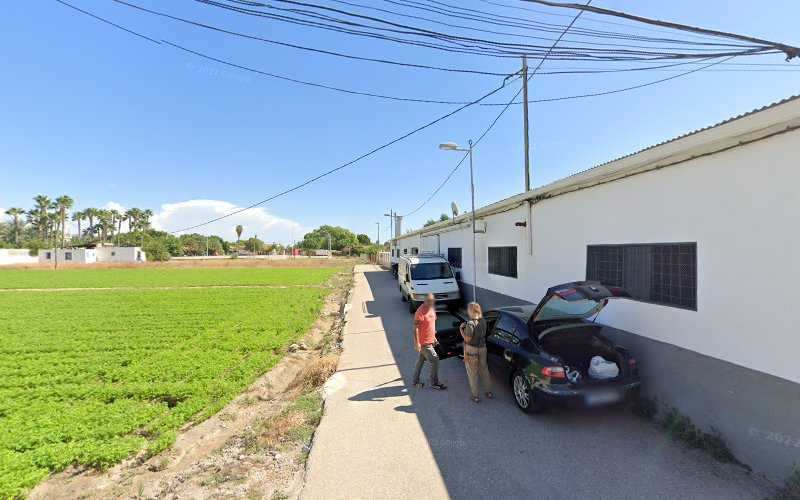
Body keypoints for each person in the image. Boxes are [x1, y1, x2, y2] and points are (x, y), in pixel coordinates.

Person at [412, 293, 447, 390]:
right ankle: (434, 383)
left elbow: (431, 325)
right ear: (425, 300)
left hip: (430, 340)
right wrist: (417, 343)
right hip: (424, 343)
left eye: (433, 301)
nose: (432, 302)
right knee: (435, 360)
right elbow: (415, 329)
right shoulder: (420, 312)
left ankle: (415, 382)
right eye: (429, 301)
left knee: (420, 361)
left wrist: (434, 338)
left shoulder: (431, 309)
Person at [460, 302, 492, 403]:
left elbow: (467, 339)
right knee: (484, 370)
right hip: (483, 348)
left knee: (472, 373)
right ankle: (488, 392)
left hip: (471, 350)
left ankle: (475, 396)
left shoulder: (470, 324)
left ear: (471, 311)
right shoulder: (483, 321)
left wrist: (461, 329)